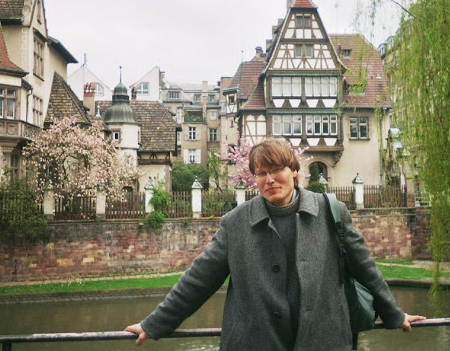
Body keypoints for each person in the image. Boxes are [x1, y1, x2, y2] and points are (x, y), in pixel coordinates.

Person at [126, 138, 425, 349]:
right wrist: (154, 324)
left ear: (294, 171)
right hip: (257, 341)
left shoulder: (331, 212)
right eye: (261, 173)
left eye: (276, 170)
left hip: (323, 340)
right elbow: (198, 280)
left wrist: (393, 314)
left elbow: (365, 269)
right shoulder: (235, 223)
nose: (269, 179)